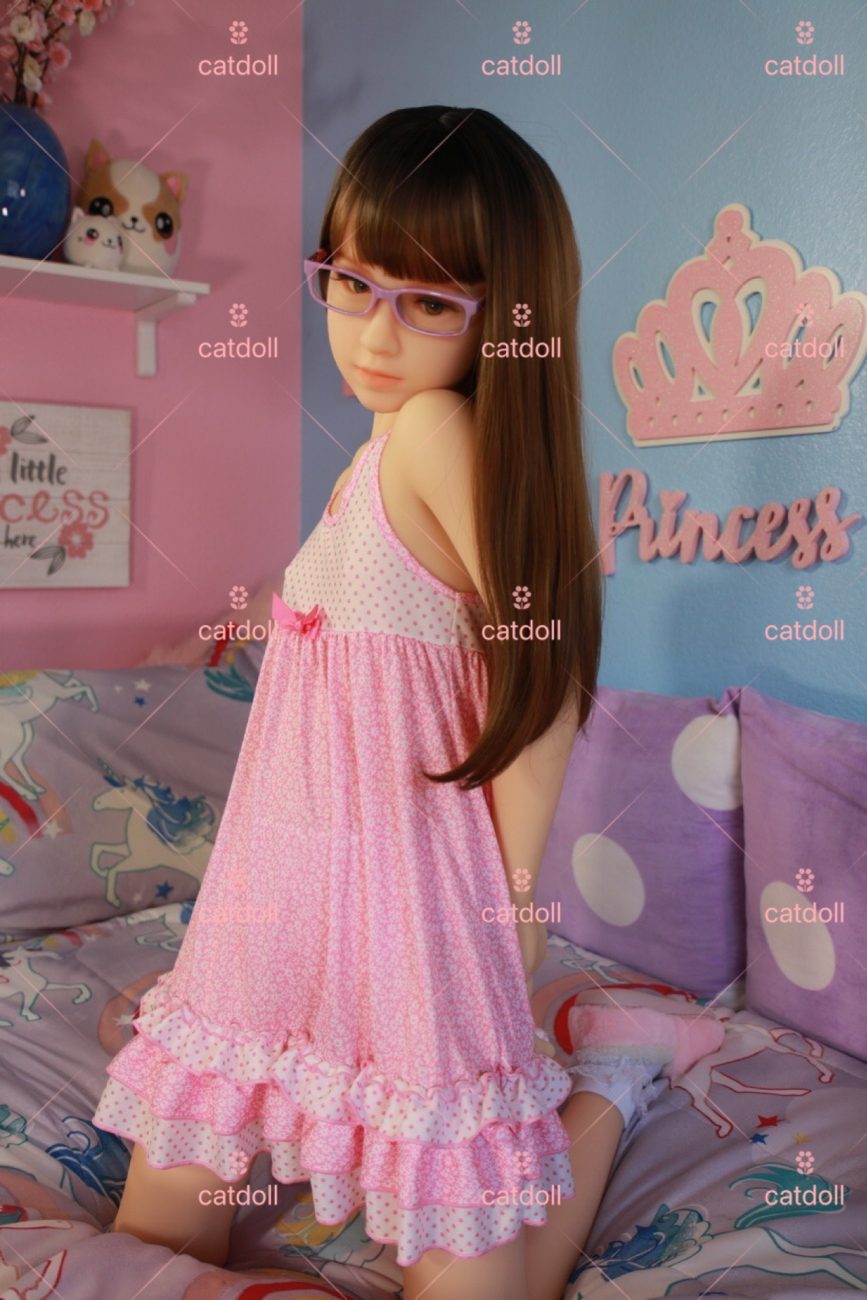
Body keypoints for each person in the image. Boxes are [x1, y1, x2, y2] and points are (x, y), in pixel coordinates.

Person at [92, 105, 724, 1300]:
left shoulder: (436, 430)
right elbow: (382, 615)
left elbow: (541, 679)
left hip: (402, 913)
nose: (372, 331)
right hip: (279, 905)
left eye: (428, 301)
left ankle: (612, 1080)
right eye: (350, 283)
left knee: (480, 1284)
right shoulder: (376, 450)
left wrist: (515, 899)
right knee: (156, 1229)